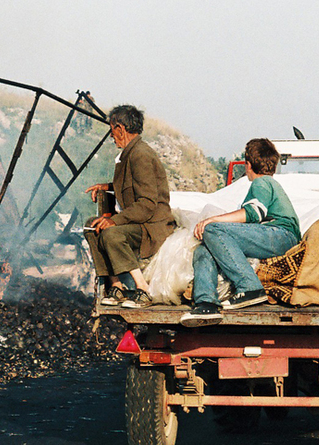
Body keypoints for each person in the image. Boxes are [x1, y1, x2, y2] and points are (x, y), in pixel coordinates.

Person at [180, 138, 301, 324]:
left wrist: (212, 220)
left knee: (212, 230)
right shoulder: (269, 184)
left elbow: (254, 213)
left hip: (281, 236)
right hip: (271, 236)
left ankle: (250, 287)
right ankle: (206, 303)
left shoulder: (262, 183)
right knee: (205, 249)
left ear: (248, 165)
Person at [84, 105, 176, 308]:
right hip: (140, 222)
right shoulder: (130, 152)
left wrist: (114, 220)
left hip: (152, 226)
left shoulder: (140, 155)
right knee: (92, 226)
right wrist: (106, 187)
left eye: (112, 130)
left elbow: (147, 204)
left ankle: (143, 289)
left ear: (120, 128)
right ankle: (116, 286)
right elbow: (131, 186)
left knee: (111, 233)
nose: (111, 136)